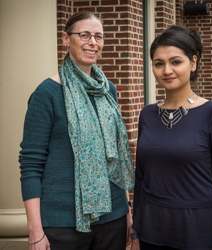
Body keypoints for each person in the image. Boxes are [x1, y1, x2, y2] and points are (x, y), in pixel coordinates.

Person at [19, 11, 134, 250]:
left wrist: (126, 209)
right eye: (84, 35)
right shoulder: (47, 93)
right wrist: (35, 230)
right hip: (62, 224)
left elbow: (116, 159)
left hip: (113, 218)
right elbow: (31, 164)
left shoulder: (108, 91)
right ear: (65, 39)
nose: (93, 42)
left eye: (99, 37)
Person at [132, 25, 212, 250]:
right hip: (152, 229)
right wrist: (136, 227)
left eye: (176, 61)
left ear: (194, 63)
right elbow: (141, 177)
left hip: (196, 229)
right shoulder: (147, 115)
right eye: (159, 63)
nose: (167, 70)